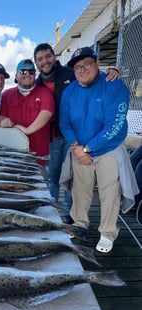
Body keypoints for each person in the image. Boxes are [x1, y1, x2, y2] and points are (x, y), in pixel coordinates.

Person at [59, 46, 139, 253]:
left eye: (87, 64)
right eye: (77, 67)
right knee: (80, 189)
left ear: (97, 64)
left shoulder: (114, 85)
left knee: (110, 191)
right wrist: (77, 148)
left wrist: (87, 149)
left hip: (108, 149)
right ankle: (79, 224)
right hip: (79, 149)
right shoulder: (70, 91)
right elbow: (65, 123)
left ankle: (108, 232)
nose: (82, 70)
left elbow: (114, 125)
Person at [34, 43, 120, 224]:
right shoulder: (37, 83)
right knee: (54, 177)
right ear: (36, 63)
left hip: (77, 137)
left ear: (54, 57)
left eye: (48, 56)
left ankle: (70, 215)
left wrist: (112, 70)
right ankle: (51, 213)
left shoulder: (69, 73)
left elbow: (91, 73)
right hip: (54, 137)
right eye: (40, 59)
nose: (45, 61)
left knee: (74, 179)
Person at [0, 59, 55, 163]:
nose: (27, 74)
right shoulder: (6, 95)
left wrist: (27, 130)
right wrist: (3, 121)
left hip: (39, 156)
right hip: (12, 155)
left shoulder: (45, 93)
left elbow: (46, 113)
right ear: (16, 76)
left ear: (35, 75)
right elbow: (0, 117)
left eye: (31, 72)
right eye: (23, 71)